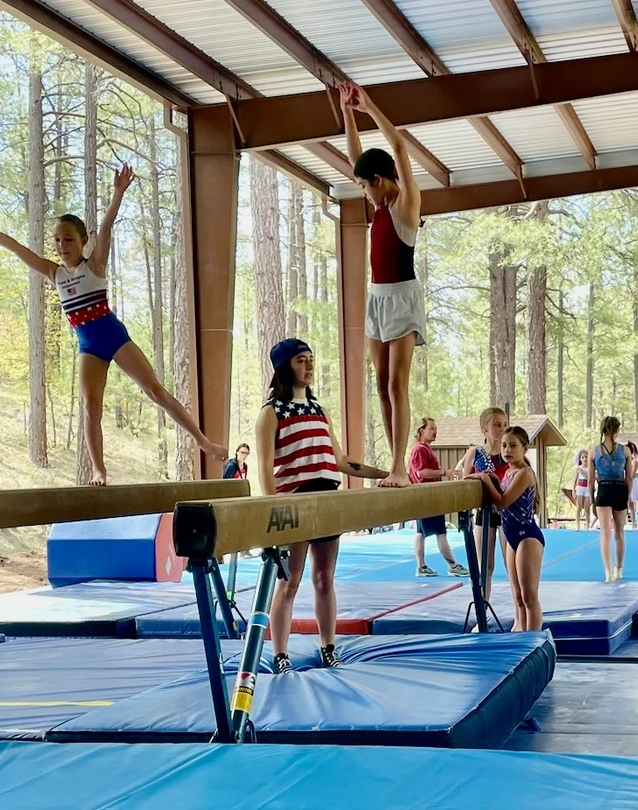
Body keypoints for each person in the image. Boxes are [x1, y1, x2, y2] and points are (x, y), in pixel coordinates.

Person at [0, 166, 226, 485]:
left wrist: (118, 193)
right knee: (89, 405)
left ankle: (202, 441)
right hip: (88, 346)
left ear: (83, 241)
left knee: (155, 390)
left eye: (68, 239)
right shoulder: (55, 274)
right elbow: (15, 247)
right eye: (56, 240)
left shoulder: (94, 264)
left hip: (114, 336)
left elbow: (107, 225)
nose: (61, 245)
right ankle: (99, 468)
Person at [258, 339, 388, 674]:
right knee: (290, 580)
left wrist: (387, 474)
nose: (310, 366)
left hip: (328, 499)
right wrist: (275, 509)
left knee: (324, 578)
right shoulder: (272, 412)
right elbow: (264, 467)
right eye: (302, 360)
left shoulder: (319, 411)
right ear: (286, 366)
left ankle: (329, 646)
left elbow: (341, 461)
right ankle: (280, 654)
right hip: (296, 501)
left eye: (312, 359)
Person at [338, 80, 422, 489]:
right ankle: (395, 465)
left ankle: (400, 467)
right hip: (377, 298)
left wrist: (369, 105)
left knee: (395, 382)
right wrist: (348, 113)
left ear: (379, 179)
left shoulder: (404, 204)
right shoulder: (376, 201)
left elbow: (401, 149)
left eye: (364, 184)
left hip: (403, 297)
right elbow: (358, 157)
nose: (363, 193)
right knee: (380, 382)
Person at [470, 426, 544, 632]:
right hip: (511, 535)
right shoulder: (509, 472)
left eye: (513, 445)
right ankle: (521, 634)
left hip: (527, 537)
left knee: (529, 596)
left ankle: (534, 641)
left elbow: (502, 502)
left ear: (524, 449)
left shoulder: (524, 473)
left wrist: (485, 479)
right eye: (504, 445)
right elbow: (501, 492)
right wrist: (490, 478)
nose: (507, 450)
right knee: (518, 596)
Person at [460, 408, 510, 601]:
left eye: (505, 425)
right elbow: (465, 484)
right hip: (483, 512)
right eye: (497, 425)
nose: (502, 429)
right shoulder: (475, 453)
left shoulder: (510, 451)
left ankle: (520, 612)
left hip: (506, 511)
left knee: (511, 565)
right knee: (486, 566)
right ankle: (483, 608)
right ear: (484, 429)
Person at [409, 418, 468, 578]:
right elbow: (421, 473)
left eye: (436, 429)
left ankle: (421, 566)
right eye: (432, 428)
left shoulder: (423, 449)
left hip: (425, 495)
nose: (435, 432)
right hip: (427, 496)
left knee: (421, 532)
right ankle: (453, 565)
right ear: (422, 430)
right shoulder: (420, 449)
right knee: (440, 532)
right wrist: (444, 473)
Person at [589, 416, 632, 582]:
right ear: (616, 430)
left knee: (605, 533)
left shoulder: (594, 451)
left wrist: (592, 501)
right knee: (619, 532)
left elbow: (591, 480)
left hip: (604, 490)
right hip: (619, 488)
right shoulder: (626, 451)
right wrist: (627, 499)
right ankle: (618, 569)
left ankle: (607, 571)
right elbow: (628, 478)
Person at [573, 449, 591, 531]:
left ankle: (588, 526)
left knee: (587, 507)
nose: (585, 459)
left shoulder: (590, 468)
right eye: (583, 457)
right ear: (580, 459)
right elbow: (574, 480)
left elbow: (590, 478)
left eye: (586, 457)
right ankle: (577, 525)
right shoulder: (578, 468)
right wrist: (573, 490)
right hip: (580, 487)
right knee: (579, 507)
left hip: (587, 487)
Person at [626, 441, 638, 526]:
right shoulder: (624, 460)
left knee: (631, 503)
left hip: (631, 481)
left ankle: (634, 523)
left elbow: (632, 474)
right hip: (625, 480)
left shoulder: (634, 461)